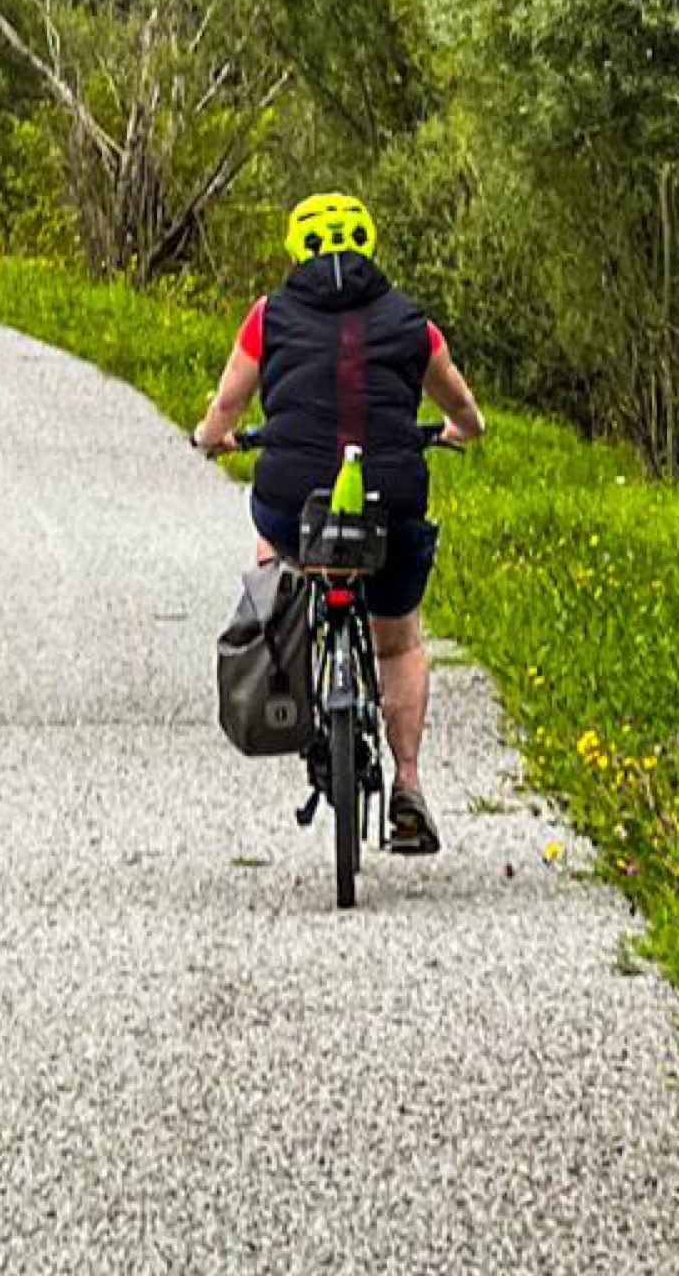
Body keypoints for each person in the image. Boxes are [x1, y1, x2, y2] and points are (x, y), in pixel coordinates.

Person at [192, 190, 485, 855]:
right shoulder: (413, 322)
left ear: (296, 250)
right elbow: (462, 406)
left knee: (273, 537)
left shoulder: (268, 317)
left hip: (294, 503)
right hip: (391, 502)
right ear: (368, 246)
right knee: (399, 642)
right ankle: (408, 782)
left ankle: (282, 620)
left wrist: (210, 438)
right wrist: (460, 430)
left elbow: (227, 407)